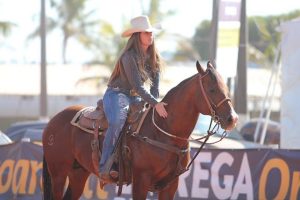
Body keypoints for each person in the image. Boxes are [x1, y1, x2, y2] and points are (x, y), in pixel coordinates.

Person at [99, 15, 168, 182]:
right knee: (117, 121)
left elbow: (155, 88)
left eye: (151, 33)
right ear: (138, 35)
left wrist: (153, 104)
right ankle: (105, 166)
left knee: (148, 120)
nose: (150, 36)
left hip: (135, 97)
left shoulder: (154, 58)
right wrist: (155, 103)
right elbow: (138, 86)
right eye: (146, 33)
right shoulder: (128, 57)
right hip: (116, 94)